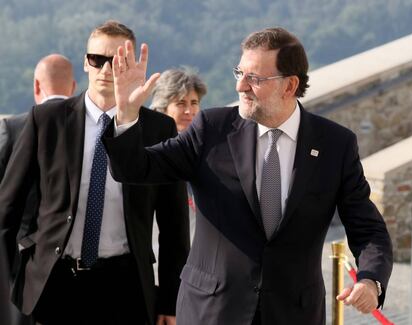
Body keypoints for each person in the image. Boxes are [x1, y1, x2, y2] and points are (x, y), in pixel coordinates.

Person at [103, 27, 393, 325]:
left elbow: (368, 229)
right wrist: (125, 116)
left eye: (254, 78)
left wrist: (370, 280)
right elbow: (136, 168)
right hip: (212, 311)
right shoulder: (211, 129)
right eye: (238, 73)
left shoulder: (335, 144)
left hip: (293, 314)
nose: (240, 86)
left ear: (289, 85)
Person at [0, 20, 189, 325]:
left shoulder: (159, 129)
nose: (105, 69)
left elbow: (174, 227)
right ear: (85, 63)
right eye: (96, 60)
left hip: (126, 285)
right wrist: (14, 282)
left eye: (116, 61)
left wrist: (170, 299)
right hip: (53, 284)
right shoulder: (46, 120)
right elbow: (7, 210)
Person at [0, 53, 76, 325]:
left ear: (36, 86)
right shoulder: (92, 129)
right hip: (79, 264)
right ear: (74, 87)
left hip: (22, 263)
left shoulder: (13, 127)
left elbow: (4, 204)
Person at [150, 68, 207, 249]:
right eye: (181, 103)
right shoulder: (152, 154)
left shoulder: (207, 150)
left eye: (194, 102)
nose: (189, 111)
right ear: (162, 107)